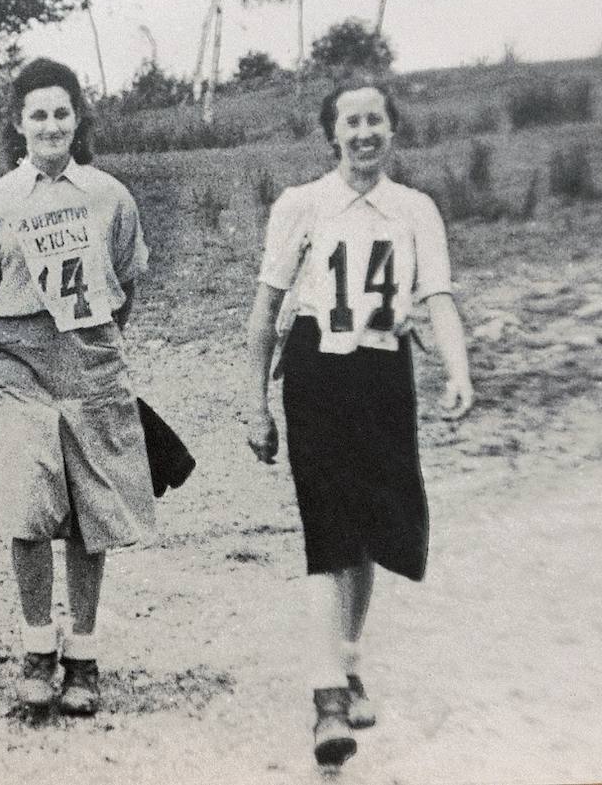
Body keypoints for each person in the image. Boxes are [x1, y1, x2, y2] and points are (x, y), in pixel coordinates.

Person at [243, 80, 474, 766]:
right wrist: (253, 401)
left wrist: (458, 370)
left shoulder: (415, 210)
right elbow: (263, 313)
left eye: (377, 119)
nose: (365, 131)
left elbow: (438, 299)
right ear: (332, 134)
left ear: (392, 130)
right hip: (317, 372)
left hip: (384, 375)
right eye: (352, 121)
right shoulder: (301, 206)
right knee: (328, 531)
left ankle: (345, 660)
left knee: (370, 528)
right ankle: (327, 702)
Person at [0, 57, 154, 717]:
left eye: (61, 112)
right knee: (29, 503)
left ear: (78, 120)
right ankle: (37, 648)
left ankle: (84, 656)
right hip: (22, 361)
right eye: (37, 113)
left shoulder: (109, 195)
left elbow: (126, 278)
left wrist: (94, 337)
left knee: (87, 510)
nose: (50, 125)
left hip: (91, 358)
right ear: (18, 123)